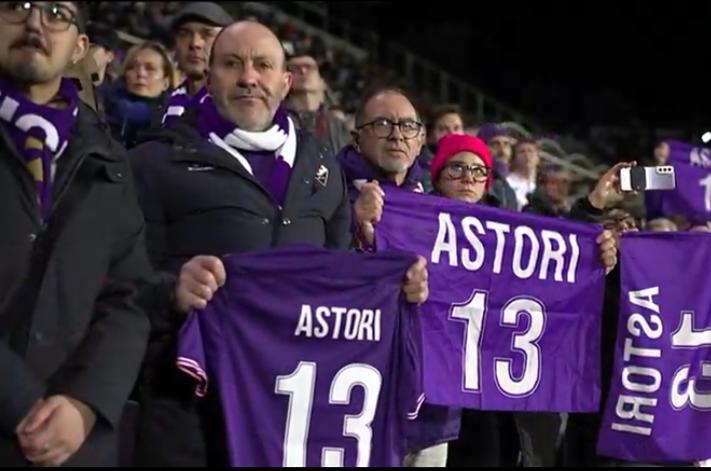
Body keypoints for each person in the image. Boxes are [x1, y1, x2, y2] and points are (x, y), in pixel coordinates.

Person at [129, 21, 428, 466]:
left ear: (284, 82)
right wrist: (172, 289)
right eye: (232, 64)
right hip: (188, 411)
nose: (249, 77)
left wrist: (395, 288)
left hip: (292, 419)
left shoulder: (322, 168)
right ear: (209, 76)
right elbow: (117, 281)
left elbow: (338, 280)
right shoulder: (152, 162)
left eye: (263, 65)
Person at [0, 2, 151, 466]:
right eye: (16, 7)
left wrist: (86, 403)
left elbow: (130, 295)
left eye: (57, 13)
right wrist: (20, 402)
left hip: (71, 443)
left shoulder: (108, 158)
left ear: (78, 49)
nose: (35, 23)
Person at [425, 133, 620, 468]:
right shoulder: (415, 222)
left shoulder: (503, 231)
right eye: (457, 168)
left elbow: (548, 258)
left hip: (487, 388)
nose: (469, 178)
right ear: (438, 175)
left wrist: (591, 223)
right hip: (429, 384)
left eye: (478, 170)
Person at [160, 1, 232, 125]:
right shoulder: (161, 106)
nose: (195, 43)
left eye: (208, 34)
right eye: (184, 34)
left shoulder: (238, 108)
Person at [104, 42, 174, 148]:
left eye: (150, 69)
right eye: (132, 67)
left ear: (166, 82)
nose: (141, 73)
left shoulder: (175, 121)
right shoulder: (101, 108)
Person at [285, 50, 350, 156]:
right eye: (294, 69)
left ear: (322, 82)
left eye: (310, 68)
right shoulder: (276, 119)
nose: (303, 71)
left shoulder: (339, 126)